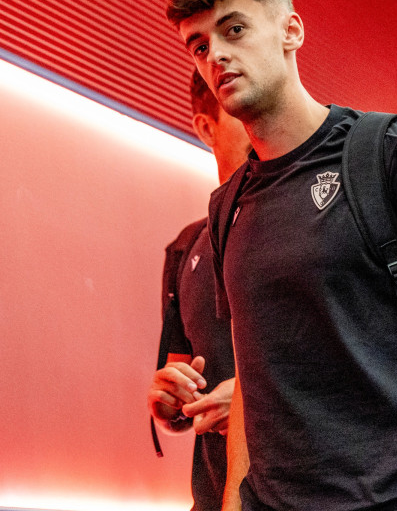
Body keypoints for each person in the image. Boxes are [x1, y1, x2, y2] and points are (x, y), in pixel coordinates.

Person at [164, 0, 397, 511]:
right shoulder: (228, 208)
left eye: (235, 29)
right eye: (199, 46)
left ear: (290, 30)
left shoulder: (393, 153)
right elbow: (253, 381)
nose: (217, 54)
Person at [147, 69, 251, 511]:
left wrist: (253, 404)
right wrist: (168, 404)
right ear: (206, 127)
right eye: (238, 113)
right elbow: (181, 388)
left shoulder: (314, 225)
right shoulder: (185, 247)